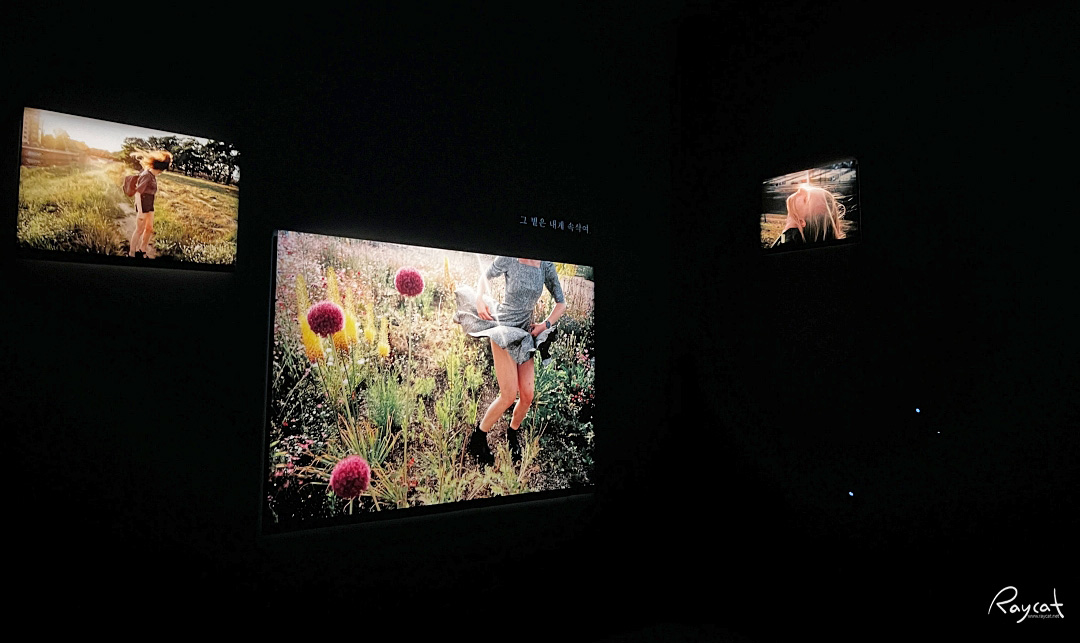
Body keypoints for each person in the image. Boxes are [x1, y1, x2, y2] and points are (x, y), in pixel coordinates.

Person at [453, 256, 566, 465]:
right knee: (508, 395)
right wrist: (479, 299)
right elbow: (484, 276)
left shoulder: (546, 265)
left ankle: (512, 434)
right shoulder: (510, 258)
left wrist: (545, 325)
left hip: (525, 334)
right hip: (504, 329)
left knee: (527, 395)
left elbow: (561, 303)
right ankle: (478, 438)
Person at [770, 183, 846, 248]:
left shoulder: (789, 243)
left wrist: (786, 231)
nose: (801, 189)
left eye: (806, 199)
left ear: (801, 222)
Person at [128, 150, 172, 258]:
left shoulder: (152, 175)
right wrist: (140, 212)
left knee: (149, 229)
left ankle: (142, 250)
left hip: (150, 205)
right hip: (143, 205)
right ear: (161, 168)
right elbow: (138, 193)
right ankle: (131, 253)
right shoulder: (147, 175)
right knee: (139, 230)